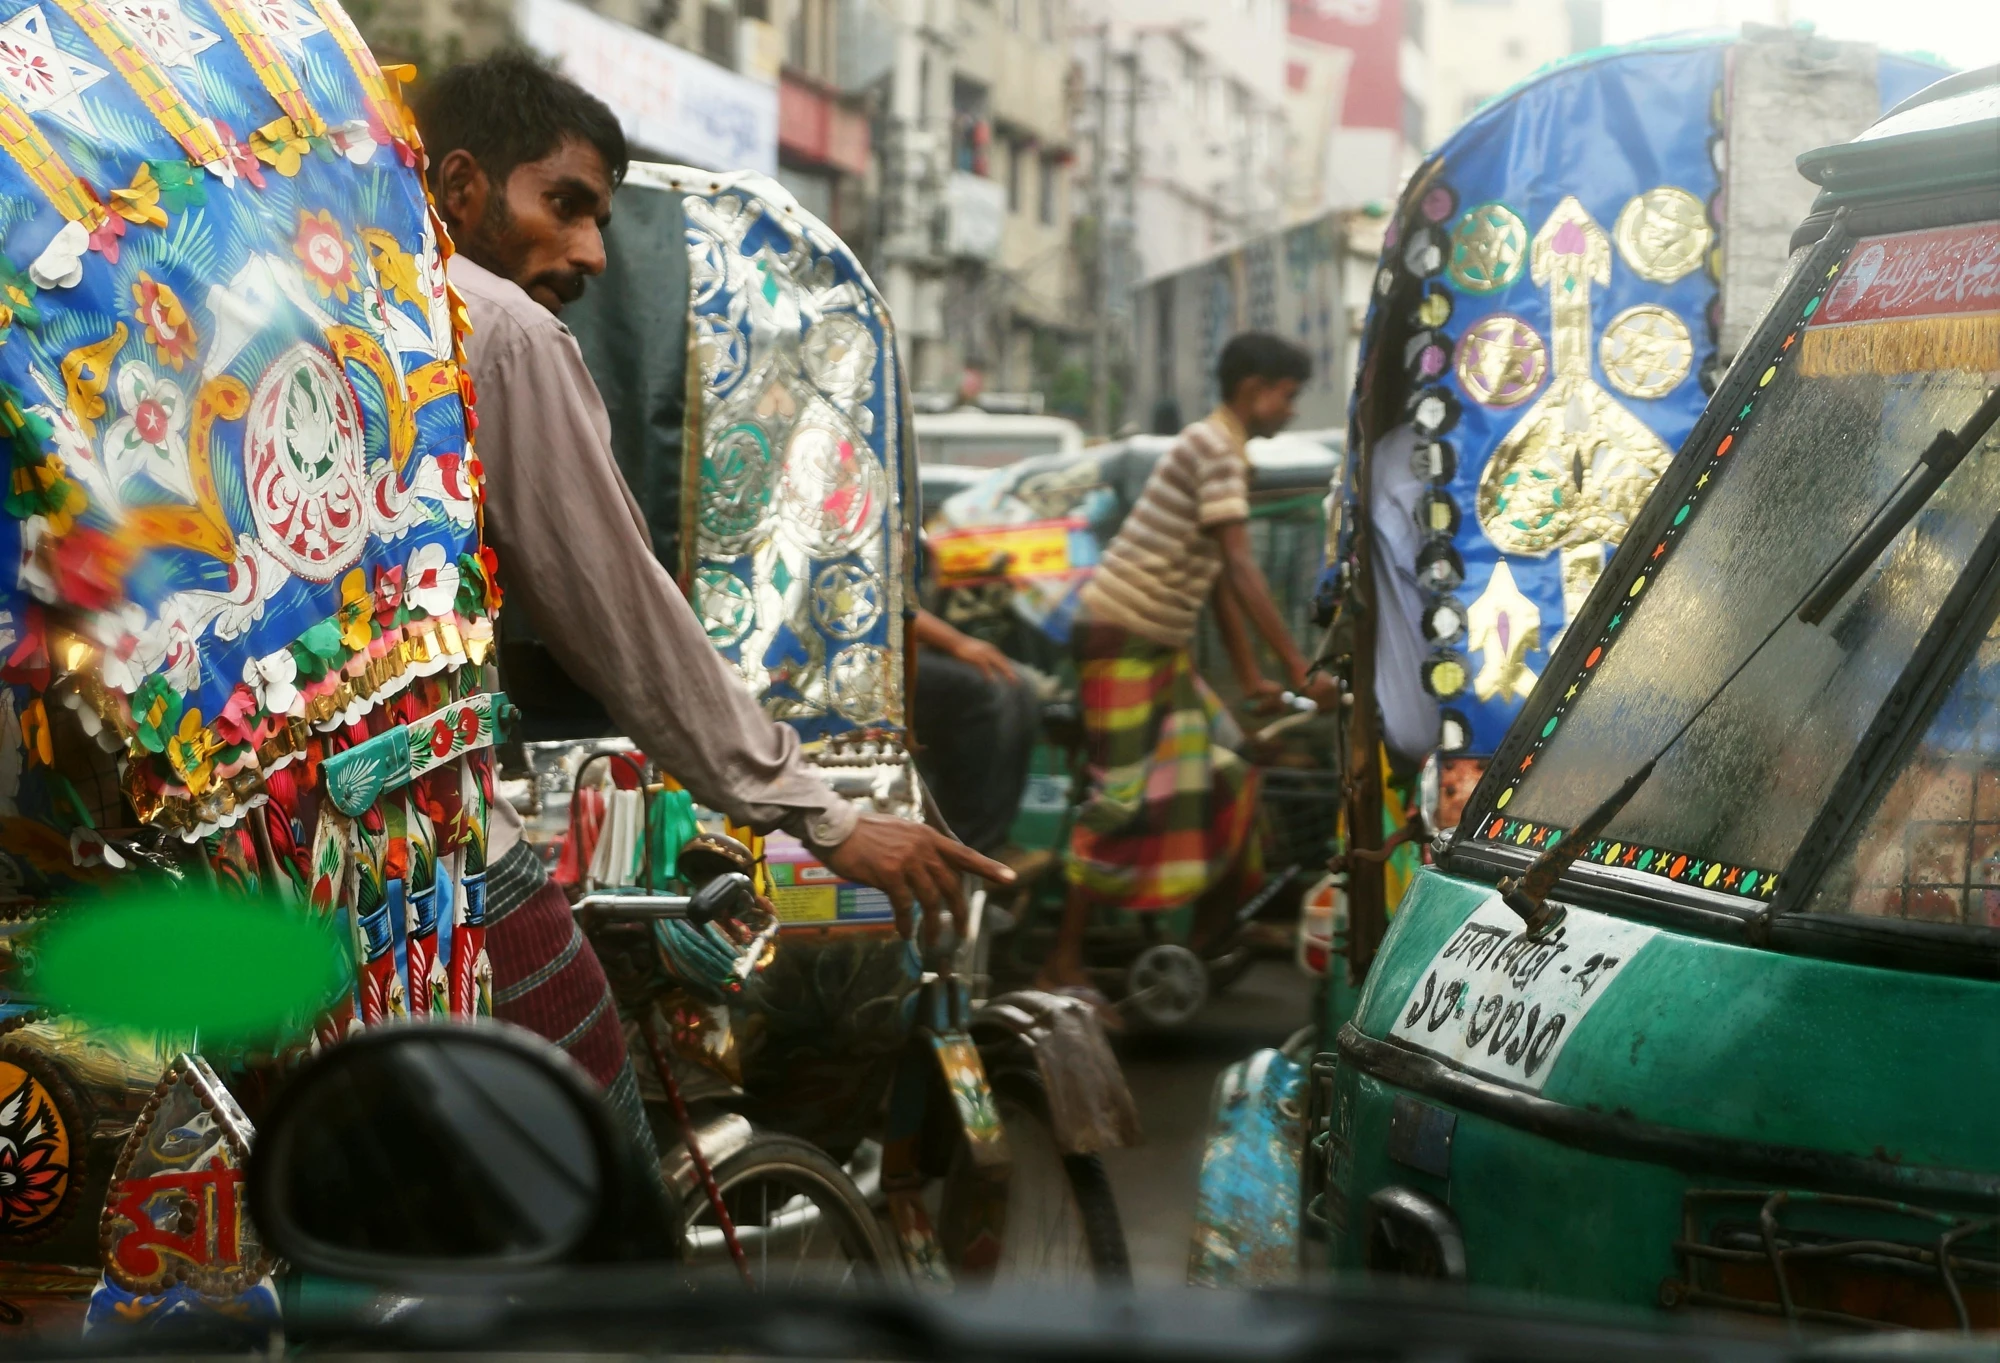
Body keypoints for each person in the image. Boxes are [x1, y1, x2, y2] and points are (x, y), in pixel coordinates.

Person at [412, 54, 1011, 1136]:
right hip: (420, 840)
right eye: (566, 206)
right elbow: (618, 611)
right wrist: (820, 815)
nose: (591, 251)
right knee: (590, 1106)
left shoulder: (342, 307)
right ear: (459, 187)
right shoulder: (497, 327)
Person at [1037, 332, 1339, 1005]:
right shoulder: (1216, 449)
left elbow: (1215, 578)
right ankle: (1059, 961)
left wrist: (1256, 675)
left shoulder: (1218, 448)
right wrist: (1298, 667)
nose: (1289, 410)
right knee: (1116, 799)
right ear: (1256, 388)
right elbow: (1238, 565)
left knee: (1232, 771)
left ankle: (1207, 936)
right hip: (1124, 639)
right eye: (1287, 396)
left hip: (1158, 645)